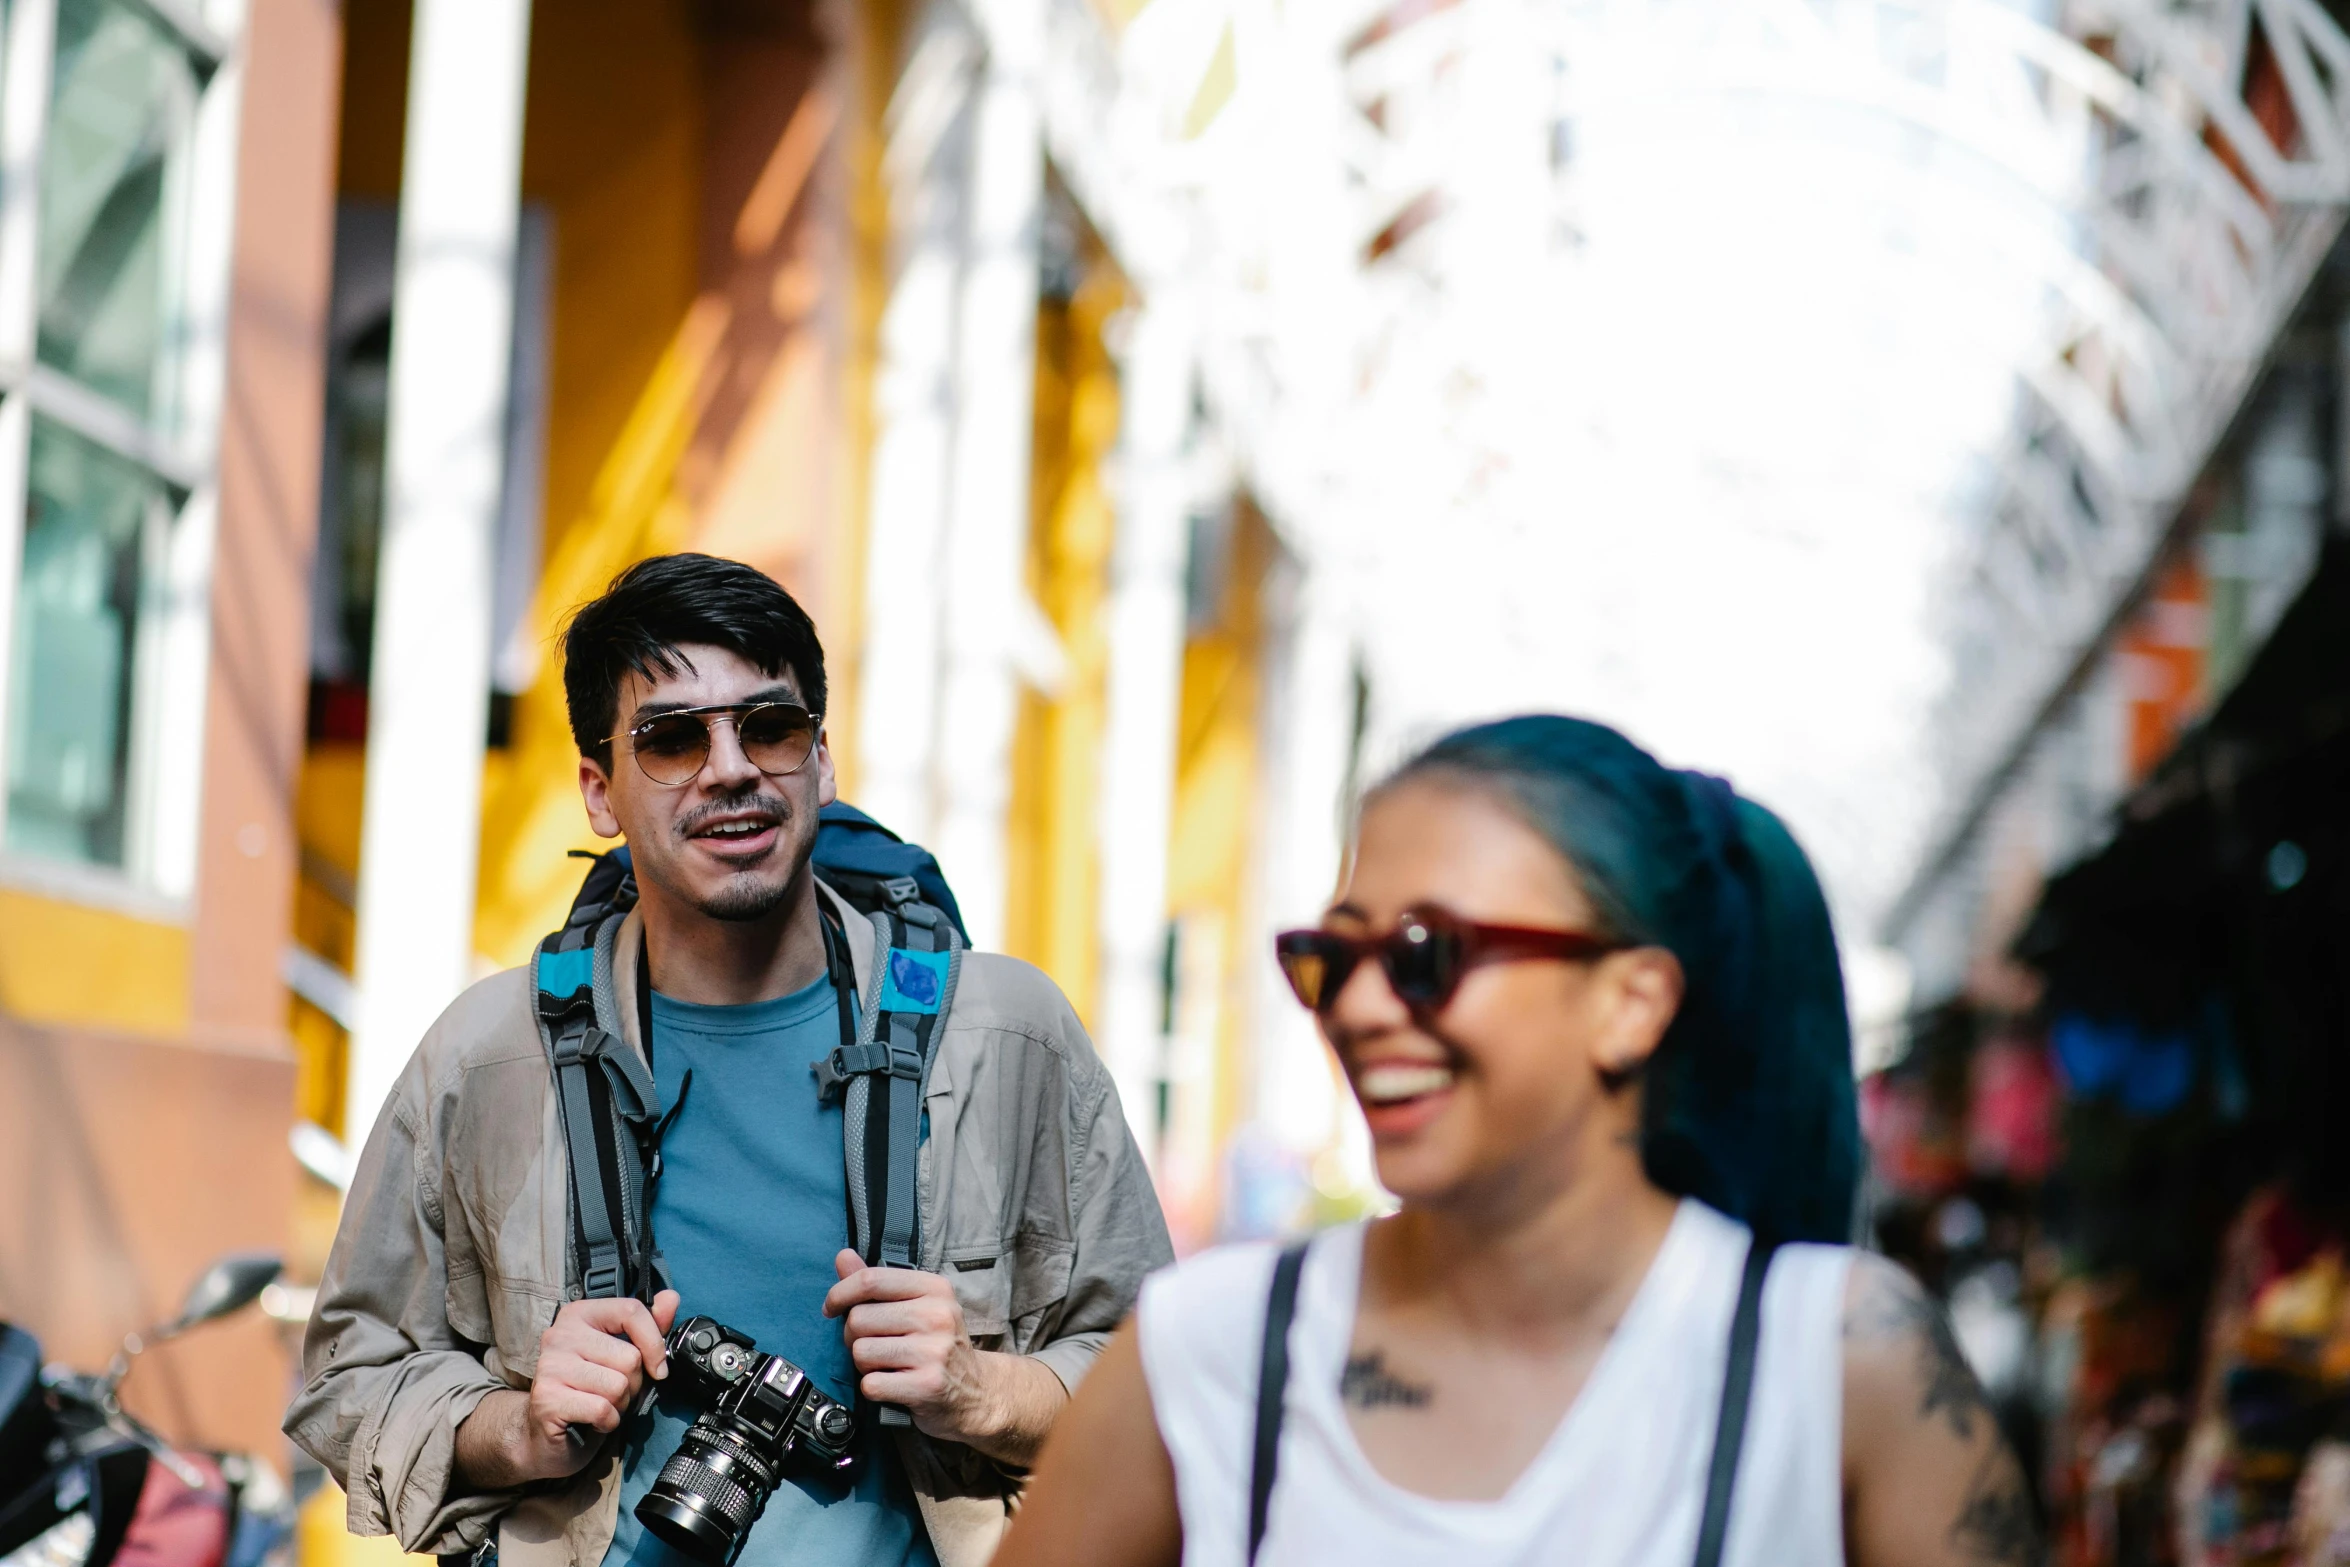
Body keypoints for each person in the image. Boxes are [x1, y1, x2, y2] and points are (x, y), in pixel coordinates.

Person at [286, 554, 1173, 1567]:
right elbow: (349, 1380)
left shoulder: (1006, 1032)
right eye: (669, 738)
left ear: (821, 761)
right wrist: (518, 1426)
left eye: (769, 725)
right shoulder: (489, 1057)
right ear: (600, 791)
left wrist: (981, 1390)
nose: (730, 767)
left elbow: (1165, 1380)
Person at [995, 715, 2044, 1567]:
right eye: (1330, 954)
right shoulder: (1212, 1346)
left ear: (1630, 1001)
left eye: (1425, 953)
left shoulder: (1838, 1361)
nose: (1355, 1007)